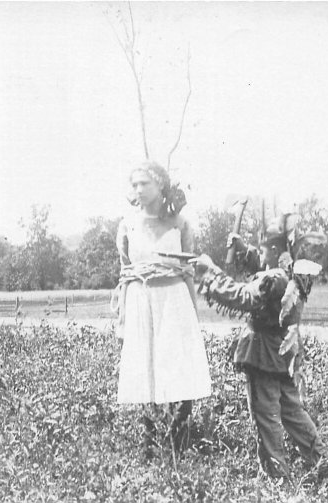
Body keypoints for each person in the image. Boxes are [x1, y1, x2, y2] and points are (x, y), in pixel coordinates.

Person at [189, 214, 324, 480]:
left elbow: (245, 295)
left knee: (266, 418)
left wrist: (210, 271)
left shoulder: (273, 279)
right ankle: (321, 460)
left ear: (274, 250)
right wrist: (242, 248)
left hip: (263, 354)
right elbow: (263, 264)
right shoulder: (292, 270)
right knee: (292, 412)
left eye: (262, 248)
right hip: (282, 353)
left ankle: (277, 477)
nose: (258, 253)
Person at [113, 161, 212, 460]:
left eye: (144, 183)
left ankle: (178, 438)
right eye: (134, 185)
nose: (138, 190)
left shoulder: (180, 223)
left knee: (179, 366)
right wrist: (122, 319)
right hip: (141, 300)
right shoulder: (126, 225)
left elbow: (188, 272)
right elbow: (124, 273)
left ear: (160, 185)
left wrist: (194, 315)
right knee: (146, 368)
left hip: (174, 300)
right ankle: (150, 442)